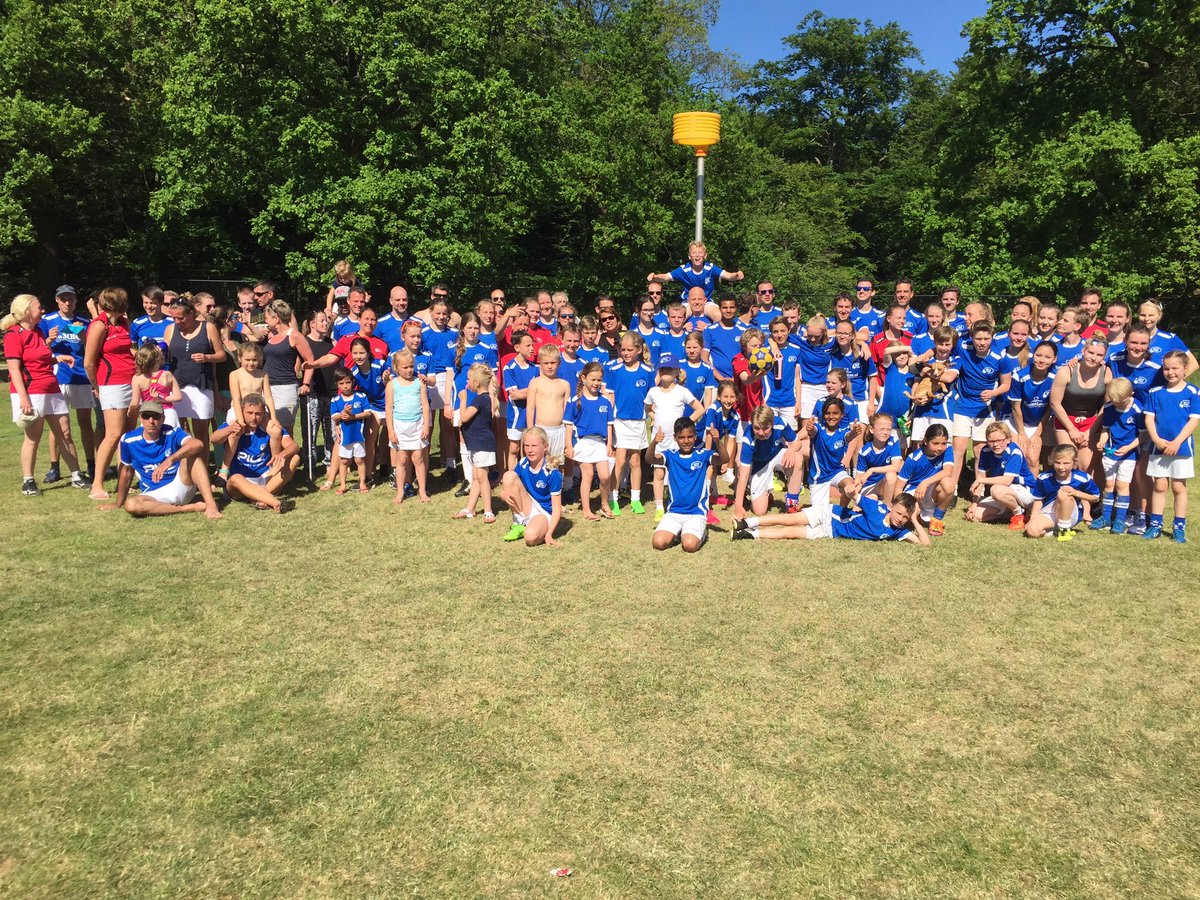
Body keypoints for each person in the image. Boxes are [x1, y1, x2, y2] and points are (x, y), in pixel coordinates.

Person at [4, 294, 88, 494]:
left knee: (65, 434)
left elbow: (41, 358)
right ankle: (28, 482)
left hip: (51, 388)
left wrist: (58, 358)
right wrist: (24, 398)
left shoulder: (39, 332)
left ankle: (76, 475)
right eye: (39, 307)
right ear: (26, 312)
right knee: (33, 438)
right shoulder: (13, 335)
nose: (42, 310)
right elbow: (14, 369)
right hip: (31, 392)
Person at [99, 401, 221, 518]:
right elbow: (126, 472)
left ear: (163, 418)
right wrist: (118, 504)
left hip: (181, 484)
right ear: (141, 418)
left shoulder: (172, 432)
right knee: (131, 505)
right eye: (146, 416)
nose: (151, 421)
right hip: (153, 494)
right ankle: (188, 508)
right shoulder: (128, 440)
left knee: (192, 455)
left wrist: (170, 460)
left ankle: (211, 504)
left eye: (156, 417)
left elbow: (198, 444)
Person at [38, 285, 96, 482]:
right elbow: (37, 348)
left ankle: (91, 464)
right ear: (57, 300)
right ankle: (54, 467)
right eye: (63, 299)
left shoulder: (83, 322)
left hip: (81, 377)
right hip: (58, 377)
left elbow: (92, 348)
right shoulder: (47, 321)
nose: (67, 303)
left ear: (76, 300)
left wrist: (83, 338)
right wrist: (49, 339)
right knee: (58, 425)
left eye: (70, 299)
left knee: (85, 422)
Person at [83, 286, 136, 499]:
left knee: (128, 435)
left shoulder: (123, 323)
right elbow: (89, 362)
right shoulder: (98, 325)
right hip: (111, 383)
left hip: (131, 381)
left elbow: (128, 349)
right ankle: (97, 484)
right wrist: (96, 386)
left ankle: (124, 481)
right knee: (113, 434)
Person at [948, 321, 1014, 491]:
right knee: (958, 449)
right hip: (962, 406)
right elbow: (942, 345)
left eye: (986, 338)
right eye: (978, 339)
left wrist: (993, 393)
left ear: (992, 338)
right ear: (972, 338)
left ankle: (978, 489)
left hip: (985, 409)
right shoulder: (963, 347)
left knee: (979, 451)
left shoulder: (1001, 358)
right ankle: (952, 489)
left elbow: (1006, 385)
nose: (982, 342)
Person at [1143, 351, 1199, 542]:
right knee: (1159, 485)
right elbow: (1149, 418)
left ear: (1185, 368)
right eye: (1166, 368)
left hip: (1181, 449)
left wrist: (1177, 442)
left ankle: (1179, 527)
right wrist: (1156, 439)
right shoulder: (1155, 392)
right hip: (1158, 447)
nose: (1170, 372)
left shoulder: (1193, 392)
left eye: (1175, 368)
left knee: (1178, 487)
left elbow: (1193, 421)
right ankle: (1155, 525)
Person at [731, 492, 928, 545]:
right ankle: (746, 523)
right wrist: (850, 490)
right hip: (829, 514)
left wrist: (914, 520)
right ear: (891, 506)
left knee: (789, 533)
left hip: (829, 532)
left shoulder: (897, 531)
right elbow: (854, 495)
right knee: (789, 520)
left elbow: (924, 544)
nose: (900, 519)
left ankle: (747, 535)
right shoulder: (875, 508)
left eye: (905, 517)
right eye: (898, 513)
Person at [645, 354, 705, 521]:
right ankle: (659, 507)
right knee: (658, 473)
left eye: (669, 369)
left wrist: (685, 425)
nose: (665, 372)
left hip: (676, 442)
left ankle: (674, 502)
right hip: (659, 440)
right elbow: (647, 409)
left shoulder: (682, 391)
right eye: (662, 369)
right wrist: (654, 417)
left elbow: (700, 409)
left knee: (675, 474)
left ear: (677, 372)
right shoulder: (653, 391)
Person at [162, 294, 225, 446]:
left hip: (201, 385)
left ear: (191, 314)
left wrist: (206, 357)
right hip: (177, 386)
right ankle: (186, 461)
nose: (177, 322)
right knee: (181, 431)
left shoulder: (208, 327)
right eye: (174, 318)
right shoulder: (170, 329)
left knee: (201, 432)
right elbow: (164, 355)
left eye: (181, 318)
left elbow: (221, 355)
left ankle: (201, 460)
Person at [1049, 335, 1110, 485]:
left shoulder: (1106, 372)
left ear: (1104, 356)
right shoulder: (1066, 371)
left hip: (1091, 421)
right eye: (1091, 353)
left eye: (1099, 355)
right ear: (1083, 351)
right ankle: (1064, 494)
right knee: (1067, 461)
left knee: (1085, 466)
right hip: (1066, 420)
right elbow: (1055, 403)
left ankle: (1088, 496)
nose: (1093, 358)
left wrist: (1090, 431)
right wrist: (1071, 429)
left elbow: (1107, 405)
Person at [607, 333, 654, 515]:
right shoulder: (614, 370)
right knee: (620, 461)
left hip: (639, 422)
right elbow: (610, 397)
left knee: (635, 461)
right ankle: (613, 498)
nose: (625, 353)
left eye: (629, 350)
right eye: (623, 349)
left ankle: (635, 499)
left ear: (639, 350)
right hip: (620, 421)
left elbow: (651, 399)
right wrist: (609, 422)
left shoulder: (648, 371)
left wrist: (652, 417)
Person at [652, 418, 716, 552]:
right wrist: (654, 442)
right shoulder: (670, 455)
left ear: (695, 436)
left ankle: (701, 533)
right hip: (674, 512)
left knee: (689, 546)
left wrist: (717, 441)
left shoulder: (703, 455)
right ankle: (677, 534)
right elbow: (650, 459)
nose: (686, 441)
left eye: (690, 437)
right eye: (681, 437)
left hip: (696, 513)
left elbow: (724, 458)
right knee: (658, 543)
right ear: (674, 438)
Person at [732, 404, 804, 519]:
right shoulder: (748, 439)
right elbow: (743, 475)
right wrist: (738, 506)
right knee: (759, 511)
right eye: (757, 428)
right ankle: (765, 495)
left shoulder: (781, 423)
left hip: (777, 454)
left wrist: (791, 450)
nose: (761, 432)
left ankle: (792, 503)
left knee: (797, 457)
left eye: (765, 428)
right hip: (759, 465)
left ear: (772, 423)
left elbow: (797, 443)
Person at [564, 362, 615, 521]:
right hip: (582, 442)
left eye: (599, 380)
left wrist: (609, 444)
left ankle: (604, 503)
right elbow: (568, 425)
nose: (596, 383)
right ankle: (586, 510)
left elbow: (609, 425)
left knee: (605, 476)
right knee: (588, 475)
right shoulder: (575, 400)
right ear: (583, 378)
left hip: (599, 443)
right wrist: (569, 446)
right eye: (593, 379)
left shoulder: (605, 401)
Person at [1091, 378, 1143, 534]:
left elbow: (1143, 435)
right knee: (1109, 484)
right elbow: (1106, 429)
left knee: (1122, 485)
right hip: (1110, 453)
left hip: (1129, 454)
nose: (1117, 405)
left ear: (1131, 394)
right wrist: (1102, 441)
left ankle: (1120, 519)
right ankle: (1106, 517)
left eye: (1121, 402)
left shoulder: (1137, 409)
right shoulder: (1109, 407)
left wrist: (1128, 448)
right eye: (1114, 402)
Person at [964, 422, 1037, 528]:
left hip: (1025, 492)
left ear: (1008, 439)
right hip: (1005, 493)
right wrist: (974, 503)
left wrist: (980, 480)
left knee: (996, 490)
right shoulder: (985, 451)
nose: (995, 444)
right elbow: (981, 477)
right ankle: (1010, 512)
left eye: (999, 440)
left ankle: (1019, 515)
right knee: (974, 516)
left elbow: (1007, 480)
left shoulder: (1014, 452)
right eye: (991, 441)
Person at [500, 426, 563, 546]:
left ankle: (536, 528)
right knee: (508, 475)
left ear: (545, 447)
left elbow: (557, 508)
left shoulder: (552, 473)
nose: (529, 450)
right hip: (528, 504)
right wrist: (503, 494)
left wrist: (549, 534)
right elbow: (512, 486)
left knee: (530, 538)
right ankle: (518, 523)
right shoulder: (523, 463)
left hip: (543, 512)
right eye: (526, 445)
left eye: (534, 446)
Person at [452, 363, 499, 522]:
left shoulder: (480, 400)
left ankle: (488, 511)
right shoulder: (483, 399)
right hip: (477, 444)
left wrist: (463, 400)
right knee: (475, 478)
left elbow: (464, 416)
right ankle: (470, 509)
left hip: (482, 444)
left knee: (482, 477)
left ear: (477, 383)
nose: (467, 382)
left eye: (469, 379)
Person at [1023, 444, 1100, 540]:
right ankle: (1054, 531)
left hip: (1070, 513)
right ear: (1052, 461)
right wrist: (1032, 519)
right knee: (1032, 531)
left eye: (1066, 463)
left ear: (1074, 462)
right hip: (1050, 512)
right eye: (1057, 462)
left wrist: (1076, 493)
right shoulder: (1044, 477)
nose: (1061, 467)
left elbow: (1095, 497)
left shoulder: (1083, 478)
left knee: (1064, 492)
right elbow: (1038, 500)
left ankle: (1064, 530)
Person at [385, 348, 432, 504]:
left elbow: (425, 405)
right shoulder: (392, 385)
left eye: (411, 366)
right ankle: (400, 491)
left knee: (418, 458)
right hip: (399, 426)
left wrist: (426, 426)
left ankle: (422, 491)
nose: (409, 370)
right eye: (405, 367)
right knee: (402, 459)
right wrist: (390, 430)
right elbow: (388, 408)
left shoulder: (419, 383)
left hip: (417, 425)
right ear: (396, 368)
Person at [260, 299, 314, 430]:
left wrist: (306, 383)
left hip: (285, 388)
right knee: (265, 427)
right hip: (267, 387)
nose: (265, 321)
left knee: (283, 429)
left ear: (276, 318)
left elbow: (310, 360)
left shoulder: (294, 335)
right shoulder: (272, 336)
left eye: (267, 318)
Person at [897, 423, 955, 536]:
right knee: (911, 515)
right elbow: (898, 487)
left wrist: (925, 483)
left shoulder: (948, 450)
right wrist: (899, 507)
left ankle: (936, 519)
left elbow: (948, 471)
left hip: (930, 490)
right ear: (925, 441)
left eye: (943, 443)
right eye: (935, 443)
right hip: (914, 492)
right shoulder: (913, 458)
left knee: (949, 484)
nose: (940, 447)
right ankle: (916, 516)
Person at [1009, 340, 1058, 471]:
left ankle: (1034, 485)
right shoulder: (1019, 376)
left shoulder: (1056, 378)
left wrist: (1037, 434)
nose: (1042, 360)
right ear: (1033, 355)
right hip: (1016, 421)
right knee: (1019, 453)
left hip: (1040, 423)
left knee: (1033, 459)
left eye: (1047, 357)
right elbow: (1015, 408)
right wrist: (1022, 434)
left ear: (1054, 359)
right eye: (1038, 355)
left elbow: (1050, 408)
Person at [299, 309, 335, 474]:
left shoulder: (332, 343)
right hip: (312, 394)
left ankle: (331, 463)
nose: (325, 323)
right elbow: (297, 368)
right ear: (312, 324)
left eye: (326, 320)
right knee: (310, 431)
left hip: (331, 392)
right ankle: (310, 465)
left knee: (331, 431)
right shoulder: (304, 343)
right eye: (322, 320)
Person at [647, 240, 744, 301]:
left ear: (705, 256)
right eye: (694, 253)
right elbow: (665, 277)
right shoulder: (683, 270)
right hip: (688, 302)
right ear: (689, 256)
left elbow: (728, 276)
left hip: (706, 302)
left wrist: (736, 275)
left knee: (718, 316)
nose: (697, 255)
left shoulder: (711, 268)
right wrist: (655, 277)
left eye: (700, 253)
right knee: (679, 316)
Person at [830, 320, 877, 423]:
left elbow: (873, 378)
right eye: (839, 333)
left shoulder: (863, 354)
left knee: (860, 431)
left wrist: (871, 403)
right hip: (840, 401)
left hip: (861, 400)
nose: (842, 336)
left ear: (852, 335)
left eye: (846, 333)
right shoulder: (832, 354)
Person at [704, 380, 741, 508]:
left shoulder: (735, 417)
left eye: (732, 397)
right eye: (725, 396)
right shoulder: (713, 410)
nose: (729, 400)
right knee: (708, 468)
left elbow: (730, 440)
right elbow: (708, 434)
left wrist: (725, 461)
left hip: (715, 442)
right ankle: (704, 500)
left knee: (714, 468)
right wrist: (708, 455)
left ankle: (713, 495)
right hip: (700, 443)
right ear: (719, 397)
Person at [1137, 299, 1198, 374]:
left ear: (1159, 316)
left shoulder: (1170, 339)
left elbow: (1194, 364)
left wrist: (1176, 379)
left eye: (1151, 315)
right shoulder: (1129, 338)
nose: (1146, 319)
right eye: (1143, 315)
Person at [852, 412, 902, 503]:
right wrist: (856, 499)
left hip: (885, 485)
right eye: (881, 429)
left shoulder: (893, 442)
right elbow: (859, 478)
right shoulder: (864, 451)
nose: (885, 433)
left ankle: (886, 506)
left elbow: (896, 467)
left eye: (889, 429)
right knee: (871, 503)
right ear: (871, 429)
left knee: (891, 475)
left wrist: (872, 470)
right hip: (870, 486)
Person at [129, 344, 182, 428]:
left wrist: (129, 410)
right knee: (171, 435)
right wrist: (162, 399)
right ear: (158, 359)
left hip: (148, 413)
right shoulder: (167, 375)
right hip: (168, 412)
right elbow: (178, 397)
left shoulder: (137, 378)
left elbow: (135, 403)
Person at [763, 317, 802, 430]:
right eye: (775, 332)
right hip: (769, 401)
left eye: (782, 331)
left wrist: (798, 402)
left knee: (790, 436)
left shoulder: (796, 350)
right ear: (771, 333)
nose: (779, 335)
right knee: (769, 434)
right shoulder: (765, 352)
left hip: (789, 402)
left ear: (789, 330)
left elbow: (797, 378)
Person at [702, 295, 748, 379]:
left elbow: (748, 356)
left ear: (736, 309)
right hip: (717, 381)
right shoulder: (709, 331)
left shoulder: (743, 331)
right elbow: (704, 358)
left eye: (732, 307)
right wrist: (721, 379)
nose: (728, 311)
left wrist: (739, 378)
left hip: (740, 380)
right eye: (725, 307)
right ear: (719, 309)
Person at [130, 285, 170, 353]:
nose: (148, 306)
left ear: (161, 303)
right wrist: (140, 356)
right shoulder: (137, 324)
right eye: (146, 302)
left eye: (152, 303)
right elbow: (129, 347)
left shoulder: (173, 323)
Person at [375, 285, 412, 352]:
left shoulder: (417, 323)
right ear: (391, 301)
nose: (401, 303)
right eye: (398, 300)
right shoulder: (380, 324)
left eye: (404, 300)